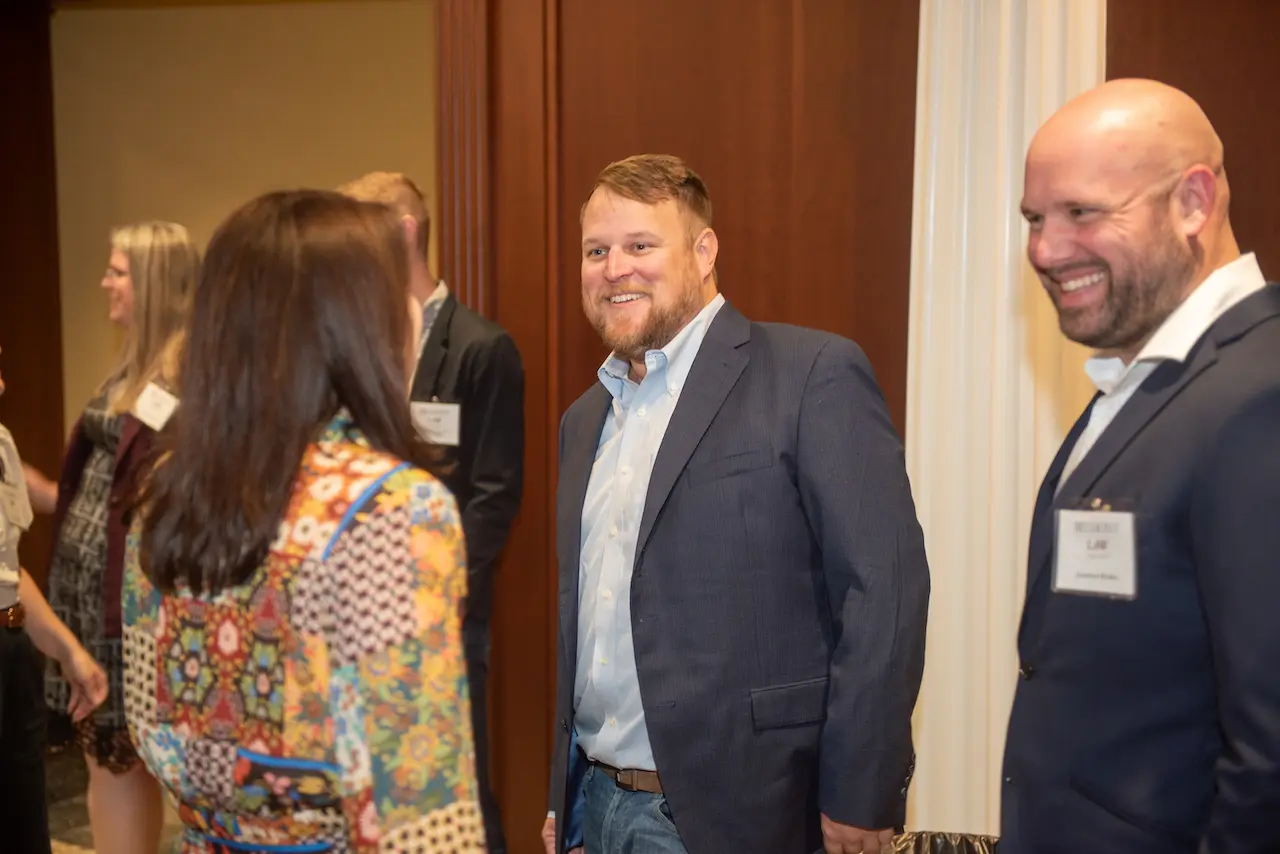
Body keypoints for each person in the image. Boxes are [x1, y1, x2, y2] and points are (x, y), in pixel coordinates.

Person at [542, 154, 930, 854]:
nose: (614, 268)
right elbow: (586, 623)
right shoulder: (582, 421)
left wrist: (861, 792)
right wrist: (562, 794)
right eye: (596, 251)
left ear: (703, 250)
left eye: (640, 246)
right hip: (596, 808)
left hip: (750, 815)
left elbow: (884, 593)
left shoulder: (811, 375)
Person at [123, 189, 483, 852]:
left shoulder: (165, 494)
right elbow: (419, 800)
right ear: (353, 328)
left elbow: (148, 717)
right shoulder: (391, 510)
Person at [1002, 78, 1280, 853]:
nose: (1046, 251)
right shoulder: (1147, 382)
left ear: (1194, 202)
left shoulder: (1261, 394)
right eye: (1034, 219)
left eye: (1082, 213)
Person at [339, 171, 525, 853]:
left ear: (404, 231)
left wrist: (434, 596)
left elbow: (494, 497)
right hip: (361, 617)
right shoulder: (357, 348)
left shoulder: (481, 349)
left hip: (445, 617)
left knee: (457, 794)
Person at [45, 220, 197, 854]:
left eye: (118, 271)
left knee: (121, 757)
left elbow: (160, 501)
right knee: (102, 758)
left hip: (130, 610)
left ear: (154, 284)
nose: (104, 281)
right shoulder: (127, 368)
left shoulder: (183, 378)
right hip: (87, 598)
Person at [0, 342, 108, 854]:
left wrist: (69, 651)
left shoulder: (0, 446)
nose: (1, 386)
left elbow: (8, 575)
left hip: (11, 648)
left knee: (24, 820)